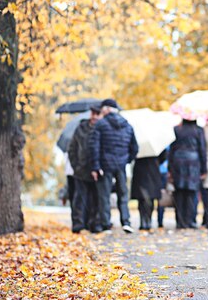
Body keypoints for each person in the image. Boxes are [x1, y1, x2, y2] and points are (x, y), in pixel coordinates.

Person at [89, 98, 138, 233]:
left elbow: (94, 147)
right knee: (123, 194)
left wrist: (95, 167)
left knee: (104, 196)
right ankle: (126, 222)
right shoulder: (127, 125)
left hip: (104, 166)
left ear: (107, 109)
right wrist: (126, 160)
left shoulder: (100, 125)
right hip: (121, 165)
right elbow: (135, 148)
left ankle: (106, 225)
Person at [68, 105, 102, 233]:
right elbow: (72, 148)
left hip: (97, 170)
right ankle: (78, 225)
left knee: (96, 199)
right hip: (81, 169)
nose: (94, 117)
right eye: (93, 113)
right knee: (79, 199)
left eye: (97, 114)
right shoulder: (80, 128)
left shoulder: (102, 128)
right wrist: (75, 165)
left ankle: (94, 225)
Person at [168, 119, 206, 229]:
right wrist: (204, 169)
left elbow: (172, 150)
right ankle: (191, 220)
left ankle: (180, 221)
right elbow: (202, 149)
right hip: (193, 163)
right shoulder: (198, 130)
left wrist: (170, 168)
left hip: (178, 162)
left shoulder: (176, 130)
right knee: (192, 193)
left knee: (179, 193)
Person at [131, 151, 165, 231]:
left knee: (141, 199)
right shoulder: (156, 144)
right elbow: (163, 157)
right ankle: (148, 221)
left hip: (140, 169)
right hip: (153, 169)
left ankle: (143, 221)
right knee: (151, 198)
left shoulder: (139, 141)